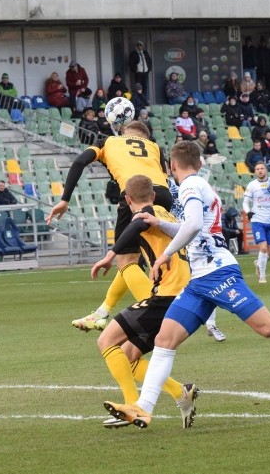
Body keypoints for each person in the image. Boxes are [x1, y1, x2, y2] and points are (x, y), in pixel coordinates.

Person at [103, 141, 270, 429]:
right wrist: (160, 224)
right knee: (164, 341)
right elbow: (191, 226)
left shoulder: (191, 185)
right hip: (199, 281)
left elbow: (192, 227)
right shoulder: (197, 185)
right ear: (200, 163)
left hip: (217, 272)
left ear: (172, 166)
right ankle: (143, 408)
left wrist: (164, 255)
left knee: (267, 327)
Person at [90, 175, 198, 429]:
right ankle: (181, 392)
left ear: (127, 199)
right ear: (152, 194)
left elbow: (137, 225)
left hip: (167, 295)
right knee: (129, 354)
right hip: (185, 294)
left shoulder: (145, 215)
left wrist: (111, 254)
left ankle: (133, 406)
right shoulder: (163, 212)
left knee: (106, 340)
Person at [46, 120, 170, 332]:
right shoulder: (155, 147)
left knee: (126, 261)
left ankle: (158, 314)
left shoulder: (109, 141)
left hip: (135, 195)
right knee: (139, 260)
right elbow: (166, 177)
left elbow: (78, 162)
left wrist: (65, 199)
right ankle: (102, 313)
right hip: (164, 196)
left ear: (124, 132)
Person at [244, 162, 270, 284]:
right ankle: (262, 276)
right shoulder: (252, 185)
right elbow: (245, 202)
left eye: (262, 168)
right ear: (255, 171)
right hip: (258, 220)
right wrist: (248, 212)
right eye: (257, 169)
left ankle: (258, 263)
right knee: (263, 248)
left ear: (266, 170)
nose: (260, 170)